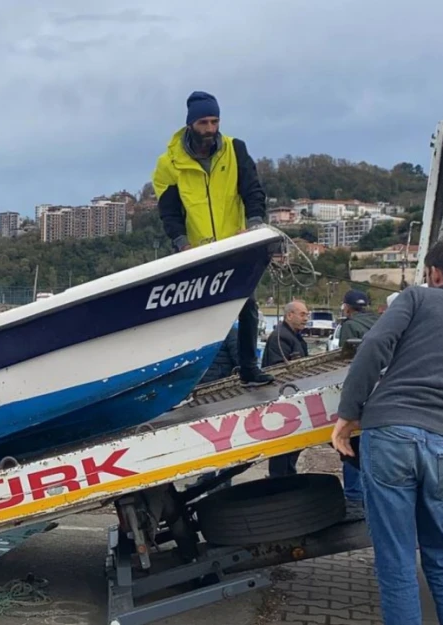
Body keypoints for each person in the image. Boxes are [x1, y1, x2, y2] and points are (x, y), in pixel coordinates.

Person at [331, 236, 443, 625]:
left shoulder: (417, 299)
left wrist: (348, 413)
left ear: (434, 273)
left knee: (398, 562)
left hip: (390, 436)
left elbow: (374, 345)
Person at [153, 90, 273, 388]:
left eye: (214, 121)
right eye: (204, 122)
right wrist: (181, 242)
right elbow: (169, 211)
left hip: (235, 242)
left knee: (247, 306)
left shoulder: (235, 149)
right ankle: (186, 379)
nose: (210, 129)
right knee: (197, 315)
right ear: (191, 124)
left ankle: (248, 369)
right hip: (198, 251)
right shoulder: (169, 163)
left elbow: (253, 190)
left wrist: (255, 224)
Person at [333, 289, 378, 520]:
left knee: (350, 447)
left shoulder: (350, 326)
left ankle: (353, 499)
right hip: (382, 394)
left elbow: (346, 362)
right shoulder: (380, 321)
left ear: (347, 307)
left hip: (360, 395)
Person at [262, 300, 311, 476]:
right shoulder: (281, 337)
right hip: (283, 402)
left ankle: (287, 476)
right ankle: (279, 481)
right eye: (302, 314)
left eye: (307, 314)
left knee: (291, 451)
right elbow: (278, 370)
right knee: (283, 451)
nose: (306, 318)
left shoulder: (295, 336)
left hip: (293, 399)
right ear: (290, 315)